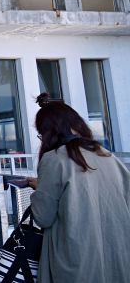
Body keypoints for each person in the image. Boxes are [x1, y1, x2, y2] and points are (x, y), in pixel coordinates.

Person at [27, 102, 130, 283]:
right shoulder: (106, 155)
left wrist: (38, 190)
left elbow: (43, 217)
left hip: (76, 258)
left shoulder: (54, 159)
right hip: (117, 254)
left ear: (48, 133)